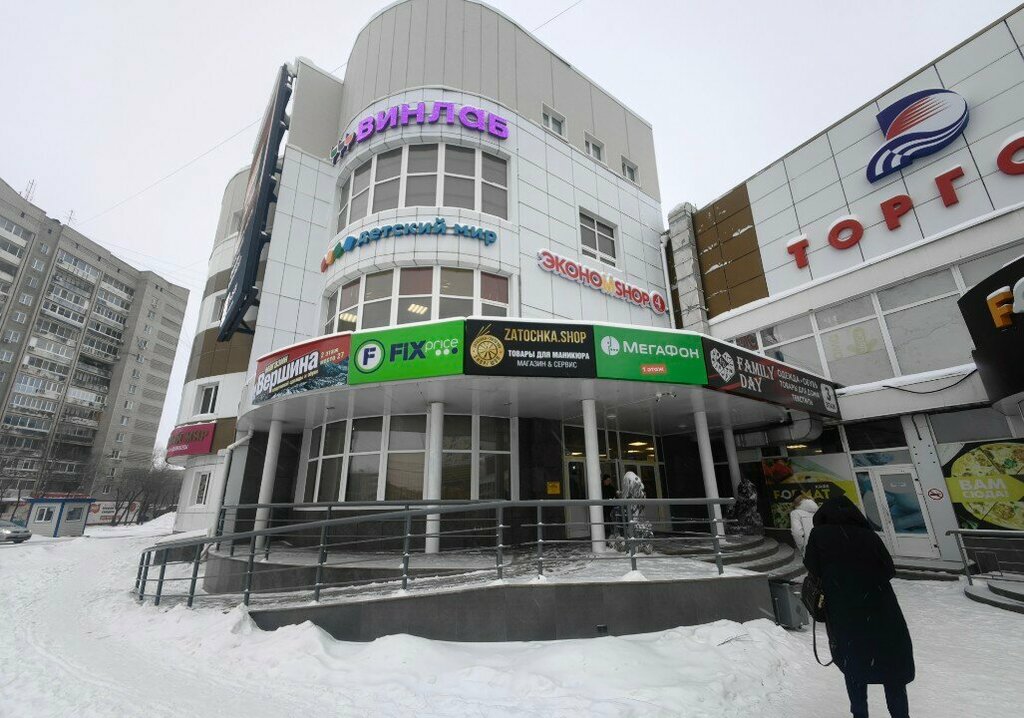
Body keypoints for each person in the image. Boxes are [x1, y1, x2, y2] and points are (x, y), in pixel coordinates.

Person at [803, 496, 914, 718]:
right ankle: (900, 714)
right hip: (881, 608)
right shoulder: (868, 534)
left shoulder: (819, 535)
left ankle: (859, 713)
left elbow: (812, 567)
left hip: (845, 611)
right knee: (892, 667)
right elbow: (889, 570)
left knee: (854, 664)